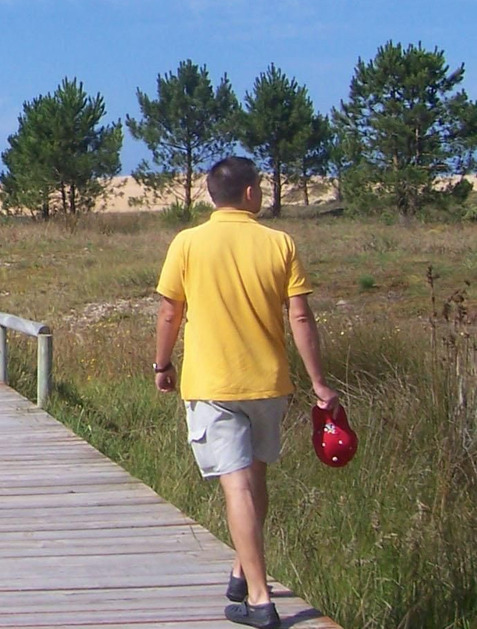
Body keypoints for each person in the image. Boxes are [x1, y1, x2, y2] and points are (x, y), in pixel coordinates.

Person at [153, 156, 340, 629]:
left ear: (212, 196)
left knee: (236, 484)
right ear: (252, 193)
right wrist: (319, 383)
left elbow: (169, 313)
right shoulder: (280, 243)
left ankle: (258, 599)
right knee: (256, 479)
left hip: (212, 383)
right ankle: (241, 570)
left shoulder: (187, 243)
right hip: (267, 381)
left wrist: (161, 364)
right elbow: (300, 317)